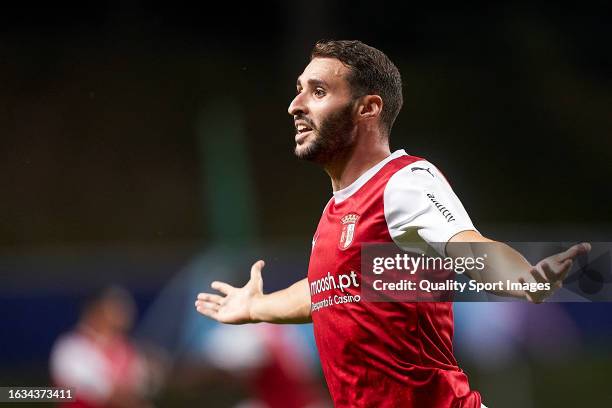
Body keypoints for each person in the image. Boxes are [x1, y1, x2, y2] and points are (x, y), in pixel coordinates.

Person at [194, 40, 590, 408]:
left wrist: (522, 279)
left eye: (317, 92)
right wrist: (256, 305)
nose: (295, 105)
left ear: (368, 108)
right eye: (298, 90)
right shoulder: (340, 210)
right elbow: (325, 293)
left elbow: (469, 244)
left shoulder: (404, 182)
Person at [50, 286, 155, 408]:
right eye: (115, 308)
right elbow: (100, 391)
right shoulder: (72, 347)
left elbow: (141, 385)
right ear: (96, 311)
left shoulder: (126, 350)